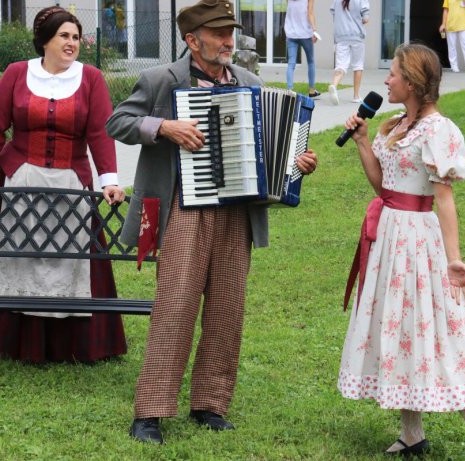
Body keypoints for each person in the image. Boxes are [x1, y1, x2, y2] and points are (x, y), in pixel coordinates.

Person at [106, 0, 318, 444]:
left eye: (231, 33)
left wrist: (295, 164)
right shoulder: (161, 80)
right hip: (183, 208)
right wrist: (164, 128)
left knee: (226, 309)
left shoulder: (251, 82)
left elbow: (272, 149)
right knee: (175, 307)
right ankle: (150, 413)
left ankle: (210, 404)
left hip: (237, 212)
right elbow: (118, 121)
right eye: (220, 34)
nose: (229, 42)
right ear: (192, 40)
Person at [338, 42, 465, 459]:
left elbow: (445, 199)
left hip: (419, 243)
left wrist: (453, 259)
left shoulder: (438, 130)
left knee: (435, 332)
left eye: (393, 73)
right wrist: (363, 141)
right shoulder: (397, 125)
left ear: (412, 81)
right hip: (390, 238)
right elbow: (385, 187)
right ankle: (412, 433)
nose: (387, 80)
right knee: (399, 328)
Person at [0, 6, 127, 363]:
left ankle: (68, 342)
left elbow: (100, 131)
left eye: (76, 37)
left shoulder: (91, 79)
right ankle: (15, 339)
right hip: (20, 178)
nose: (72, 43)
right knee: (19, 255)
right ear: (45, 40)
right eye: (63, 36)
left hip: (71, 182)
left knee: (68, 259)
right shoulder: (17, 74)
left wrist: (109, 181)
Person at [328, 0, 370, 105]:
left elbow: (334, 13)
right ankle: (356, 96)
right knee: (358, 65)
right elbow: (365, 19)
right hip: (356, 35)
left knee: (341, 65)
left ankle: (334, 84)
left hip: (341, 36)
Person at [285, 0, 321, 98]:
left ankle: (289, 89)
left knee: (291, 63)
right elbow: (310, 12)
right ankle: (312, 90)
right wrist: (314, 30)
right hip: (305, 34)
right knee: (311, 62)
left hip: (291, 33)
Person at [439, 0, 465, 73]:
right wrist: (443, 24)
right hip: (450, 24)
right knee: (452, 47)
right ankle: (454, 66)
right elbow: (445, 10)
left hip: (463, 24)